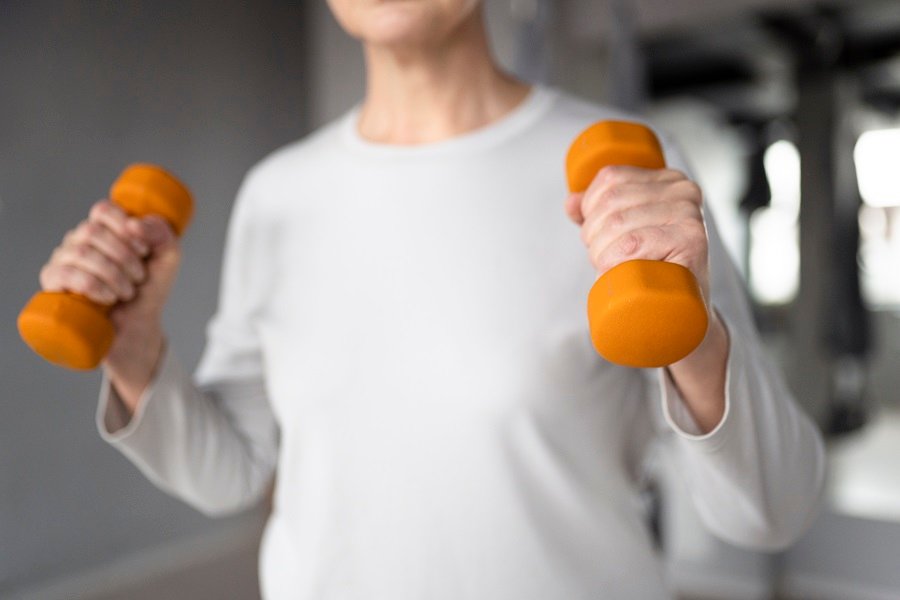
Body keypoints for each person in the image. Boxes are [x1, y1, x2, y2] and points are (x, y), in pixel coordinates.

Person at [39, 1, 824, 598]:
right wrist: (138, 357)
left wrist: (694, 340)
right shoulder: (278, 196)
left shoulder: (629, 176)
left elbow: (770, 511)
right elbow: (232, 472)